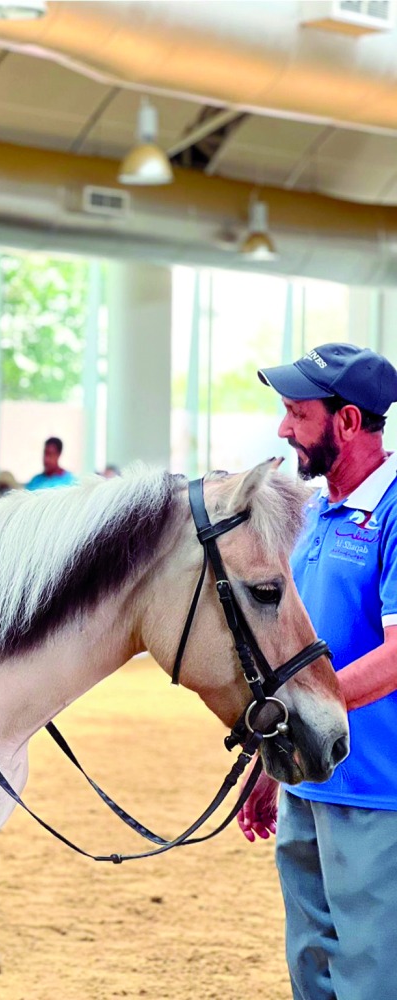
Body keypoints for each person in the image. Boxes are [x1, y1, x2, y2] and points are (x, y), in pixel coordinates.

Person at [238, 342, 397, 1000]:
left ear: (350, 422)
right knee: (310, 965)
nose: (282, 429)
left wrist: (301, 714)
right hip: (307, 780)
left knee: (370, 974)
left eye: (296, 414)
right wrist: (271, 763)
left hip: (376, 792)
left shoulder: (391, 512)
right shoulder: (310, 514)